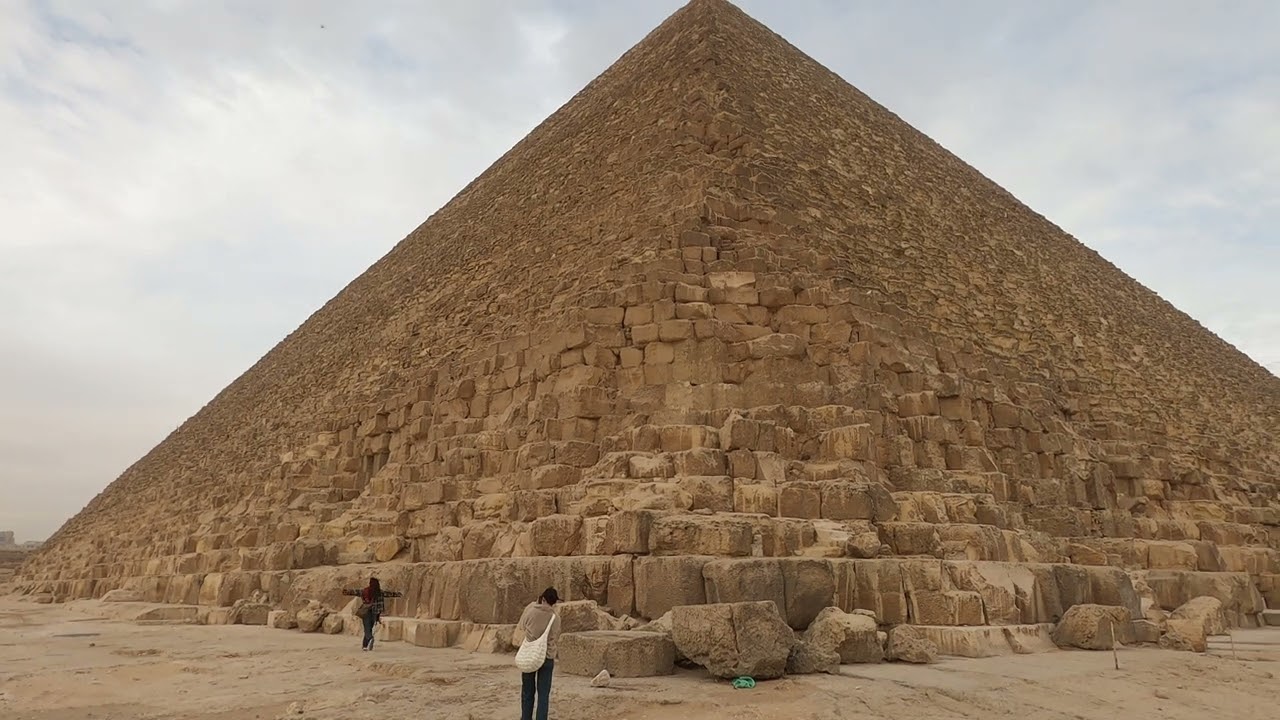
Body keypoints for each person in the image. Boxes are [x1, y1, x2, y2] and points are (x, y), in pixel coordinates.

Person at [516, 588, 561, 720]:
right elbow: (555, 635)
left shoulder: (531, 611)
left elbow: (522, 626)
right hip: (547, 657)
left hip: (530, 655)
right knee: (543, 695)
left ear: (543, 598)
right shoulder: (556, 618)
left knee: (527, 692)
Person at [359, 577, 384, 651]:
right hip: (375, 613)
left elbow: (361, 596)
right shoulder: (380, 592)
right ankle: (365, 645)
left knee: (367, 629)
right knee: (369, 629)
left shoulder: (366, 590)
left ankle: (370, 638)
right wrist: (378, 617)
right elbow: (380, 605)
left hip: (366, 612)